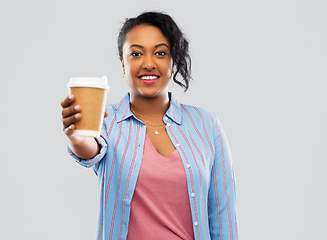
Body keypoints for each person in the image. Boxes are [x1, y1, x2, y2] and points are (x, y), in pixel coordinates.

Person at [61, 11, 238, 240]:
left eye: (160, 53)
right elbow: (90, 149)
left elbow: (222, 214)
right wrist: (76, 136)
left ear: (173, 61)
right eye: (136, 54)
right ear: (122, 63)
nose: (148, 63)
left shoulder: (206, 124)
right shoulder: (106, 120)